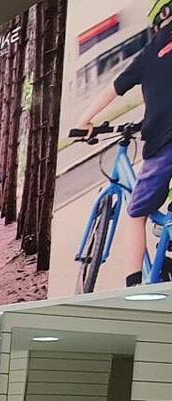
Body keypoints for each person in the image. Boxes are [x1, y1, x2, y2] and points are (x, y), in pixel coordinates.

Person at [77, 0, 172, 287]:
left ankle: (134, 288)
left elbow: (113, 89)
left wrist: (85, 121)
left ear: (158, 20)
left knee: (136, 214)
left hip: (163, 145)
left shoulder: (149, 53)